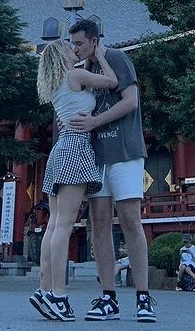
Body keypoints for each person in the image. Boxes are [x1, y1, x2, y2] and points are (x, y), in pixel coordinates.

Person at [68, 18, 157, 323]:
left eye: (79, 43)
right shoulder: (84, 69)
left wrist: (95, 121)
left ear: (94, 40)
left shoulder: (118, 58)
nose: (75, 48)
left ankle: (143, 296)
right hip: (96, 155)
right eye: (72, 44)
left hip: (124, 151)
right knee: (99, 222)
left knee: (130, 219)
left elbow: (131, 102)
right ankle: (108, 296)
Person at [29, 37, 118, 322]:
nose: (74, 49)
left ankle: (45, 289)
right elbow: (112, 81)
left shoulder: (56, 83)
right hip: (77, 146)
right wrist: (100, 56)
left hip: (60, 148)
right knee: (64, 225)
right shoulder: (75, 75)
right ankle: (59, 295)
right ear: (62, 55)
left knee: (54, 224)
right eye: (69, 47)